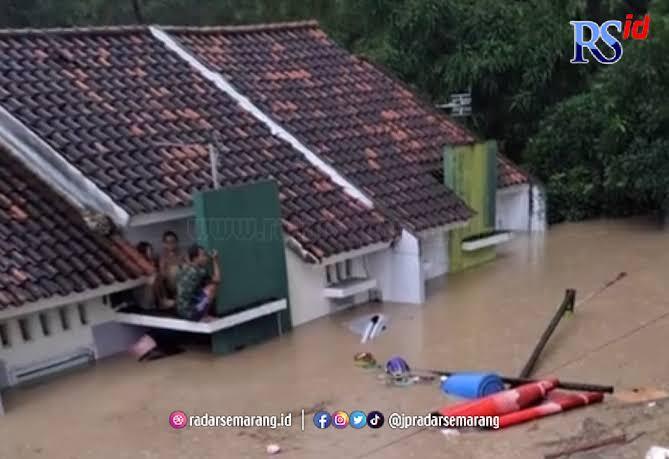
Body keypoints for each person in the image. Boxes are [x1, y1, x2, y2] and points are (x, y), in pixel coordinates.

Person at [175, 244, 221, 321]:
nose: (206, 258)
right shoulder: (200, 271)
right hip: (191, 313)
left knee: (200, 290)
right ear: (195, 259)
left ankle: (201, 313)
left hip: (180, 311)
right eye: (203, 256)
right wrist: (215, 260)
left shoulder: (184, 268)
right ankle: (203, 316)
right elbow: (217, 279)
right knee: (211, 288)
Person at [156, 231, 183, 309]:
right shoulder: (163, 257)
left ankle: (181, 297)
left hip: (182, 283)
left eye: (173, 242)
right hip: (170, 283)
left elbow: (189, 266)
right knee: (172, 270)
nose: (171, 244)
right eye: (168, 242)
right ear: (164, 244)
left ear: (176, 242)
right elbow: (162, 273)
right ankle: (164, 300)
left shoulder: (182, 254)